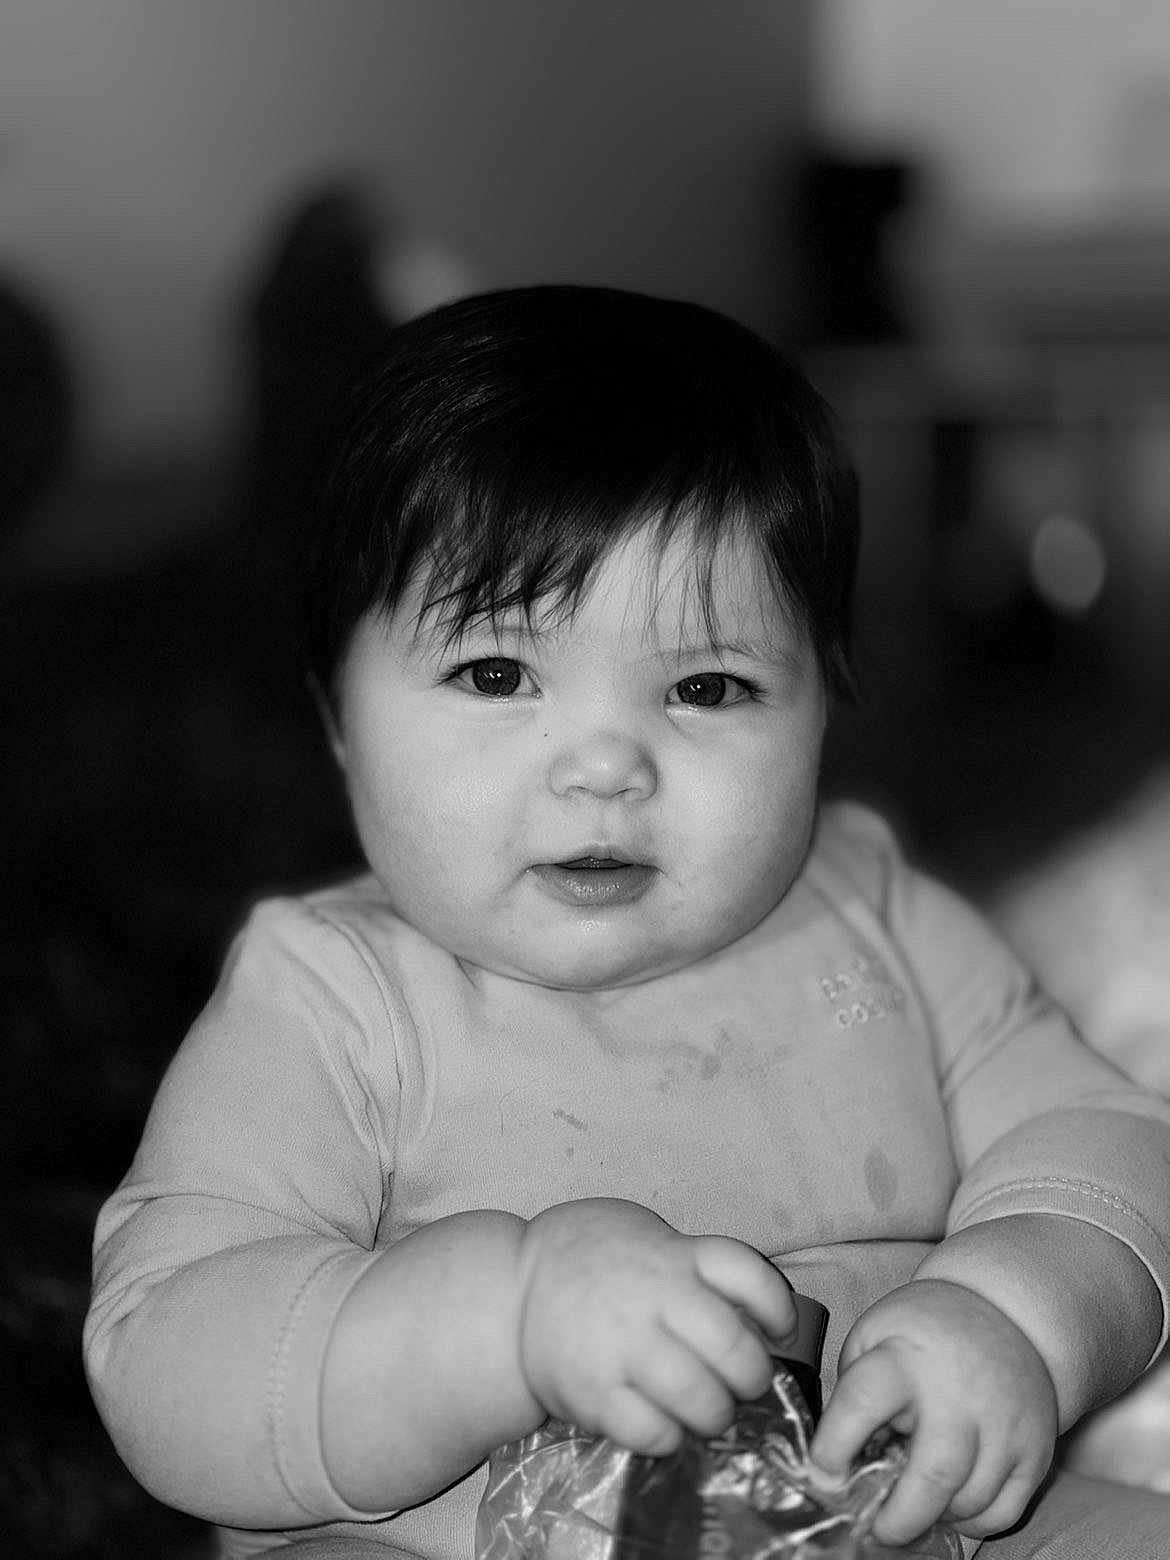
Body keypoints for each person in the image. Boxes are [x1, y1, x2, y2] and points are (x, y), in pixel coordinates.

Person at [84, 287, 1170, 1559]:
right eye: (498, 675)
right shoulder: (326, 1002)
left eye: (708, 686)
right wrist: (505, 1324)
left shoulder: (878, 916)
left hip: (893, 1519)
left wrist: (1020, 1310)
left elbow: (1101, 1133)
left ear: (828, 708)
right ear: (337, 718)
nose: (607, 766)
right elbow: (167, 1353)